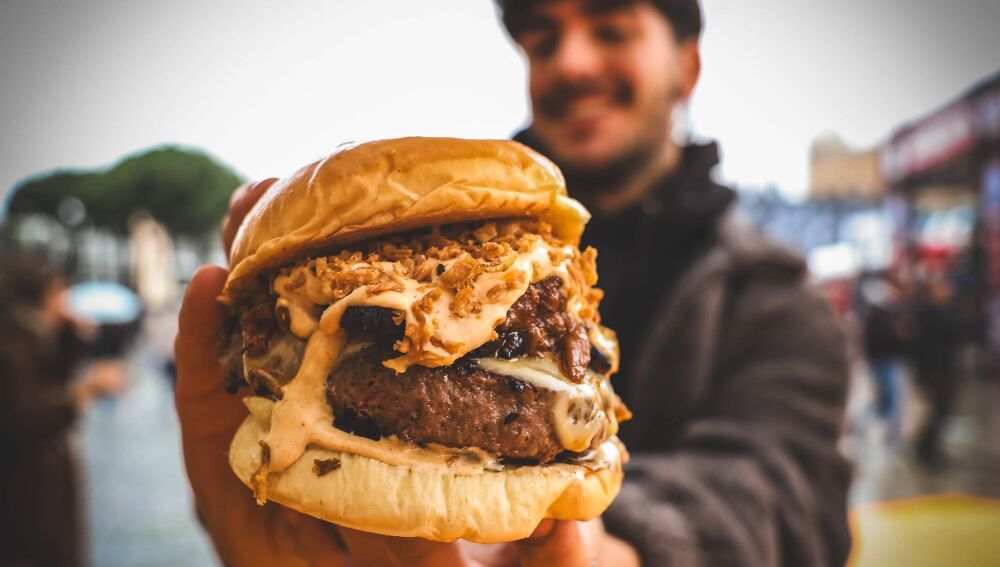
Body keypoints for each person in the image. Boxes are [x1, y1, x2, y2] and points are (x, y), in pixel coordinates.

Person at [176, 1, 852, 565]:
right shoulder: (434, 187)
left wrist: (609, 549)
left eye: (610, 28)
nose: (572, 63)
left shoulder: (776, 294)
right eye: (543, 41)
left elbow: (784, 495)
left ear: (689, 64)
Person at [0, 252, 111, 566]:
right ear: (45, 293)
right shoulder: (12, 345)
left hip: (42, 486)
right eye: (61, 291)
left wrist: (74, 334)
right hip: (26, 495)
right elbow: (25, 418)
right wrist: (81, 394)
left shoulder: (33, 337)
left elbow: (56, 372)